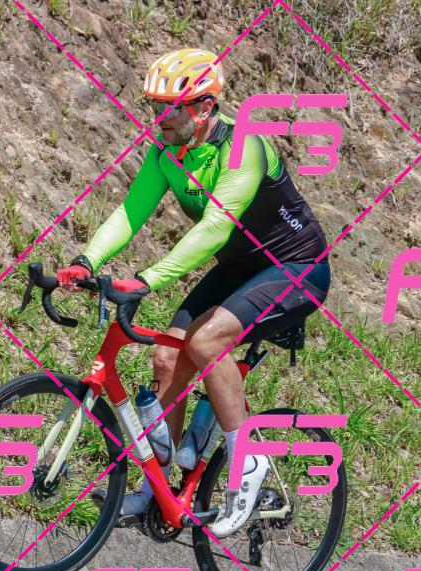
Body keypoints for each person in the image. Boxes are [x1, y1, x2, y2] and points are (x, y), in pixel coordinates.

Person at [55, 48, 331, 538]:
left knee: (205, 342)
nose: (158, 118)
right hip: (242, 269)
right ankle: (160, 490)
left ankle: (248, 466)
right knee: (167, 356)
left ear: (203, 109)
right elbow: (130, 213)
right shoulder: (166, 154)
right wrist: (86, 261)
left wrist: (147, 279)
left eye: (169, 108)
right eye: (154, 107)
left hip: (296, 269)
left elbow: (215, 228)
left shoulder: (243, 148)